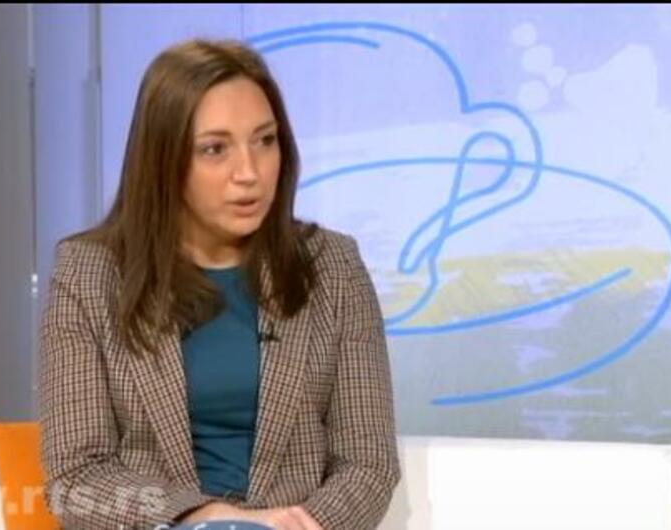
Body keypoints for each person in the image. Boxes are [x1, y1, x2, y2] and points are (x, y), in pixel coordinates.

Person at [37, 39, 400, 530]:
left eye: (265, 140)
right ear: (163, 160)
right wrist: (205, 519)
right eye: (215, 149)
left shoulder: (332, 267)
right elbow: (76, 480)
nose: (249, 173)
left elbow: (369, 464)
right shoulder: (89, 274)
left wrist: (290, 528)